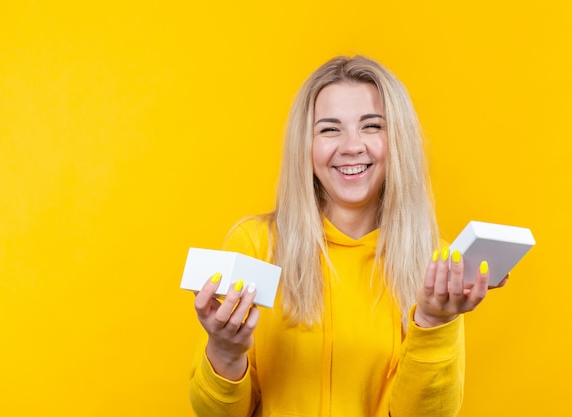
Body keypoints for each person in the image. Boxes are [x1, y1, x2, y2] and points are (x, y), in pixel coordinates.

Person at [188, 55, 502, 417]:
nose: (352, 146)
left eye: (372, 126)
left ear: (398, 139)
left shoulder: (434, 263)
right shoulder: (255, 244)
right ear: (305, 145)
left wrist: (434, 323)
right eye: (329, 129)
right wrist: (225, 351)